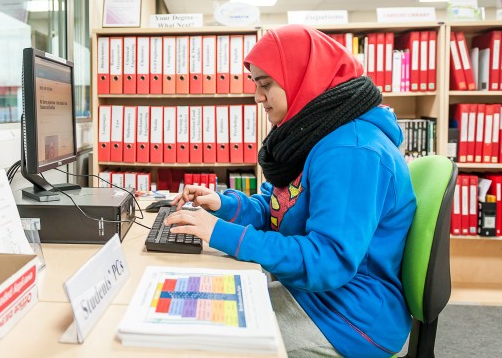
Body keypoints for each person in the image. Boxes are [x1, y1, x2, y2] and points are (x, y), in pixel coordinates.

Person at [165, 25, 416, 357]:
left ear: (303, 78)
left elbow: (329, 260)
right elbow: (278, 208)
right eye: (256, 84)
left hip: (351, 318)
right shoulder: (312, 134)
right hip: (318, 294)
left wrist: (223, 234)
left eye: (266, 84)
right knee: (194, 310)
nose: (257, 97)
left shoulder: (352, 151)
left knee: (203, 339)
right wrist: (223, 206)